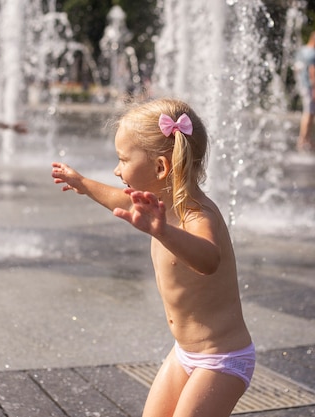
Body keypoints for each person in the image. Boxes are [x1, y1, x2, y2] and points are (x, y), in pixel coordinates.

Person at [51, 98, 254, 417]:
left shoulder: (197, 214)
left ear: (161, 168)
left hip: (222, 359)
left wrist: (163, 232)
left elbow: (208, 260)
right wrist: (84, 184)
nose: (117, 170)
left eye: (122, 160)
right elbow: (120, 199)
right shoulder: (158, 203)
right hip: (185, 353)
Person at [294, 30, 315, 151]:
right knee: (309, 113)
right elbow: (313, 72)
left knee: (309, 112)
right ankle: (303, 139)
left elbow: (296, 68)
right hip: (310, 86)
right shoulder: (313, 53)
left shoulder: (301, 51)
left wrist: (300, 82)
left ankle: (306, 138)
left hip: (302, 84)